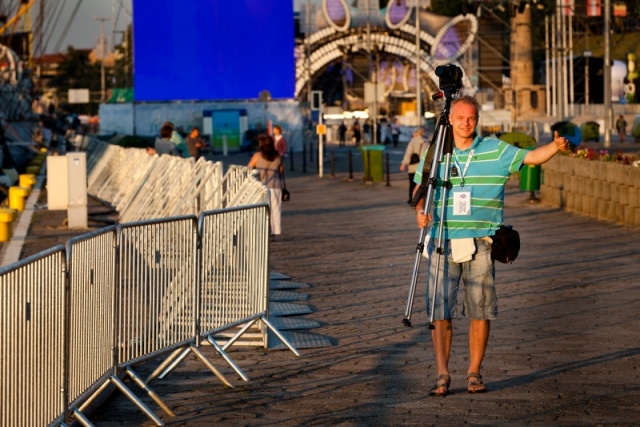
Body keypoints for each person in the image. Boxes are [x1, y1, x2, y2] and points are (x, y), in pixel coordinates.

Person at [412, 95, 570, 397]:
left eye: (471, 118)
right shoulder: (437, 155)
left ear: (477, 120)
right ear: (450, 119)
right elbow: (419, 190)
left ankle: (473, 373)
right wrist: (420, 212)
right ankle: (442, 374)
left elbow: (530, 157)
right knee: (439, 313)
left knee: (480, 311)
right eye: (459, 117)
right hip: (442, 241)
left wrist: (555, 147)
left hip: (482, 243)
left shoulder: (495, 150)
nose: (465, 123)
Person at [248, 134, 284, 238]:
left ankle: (264, 229)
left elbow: (249, 167)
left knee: (263, 209)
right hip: (275, 184)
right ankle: (275, 230)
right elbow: (282, 170)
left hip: (262, 185)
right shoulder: (277, 156)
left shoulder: (258, 155)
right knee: (276, 208)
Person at [400, 128, 429, 204]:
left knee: (412, 185)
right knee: (421, 184)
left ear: (416, 134)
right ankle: (421, 199)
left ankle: (412, 199)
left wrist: (403, 164)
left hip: (413, 167)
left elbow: (408, 154)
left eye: (414, 133)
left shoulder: (412, 142)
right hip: (422, 168)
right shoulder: (426, 143)